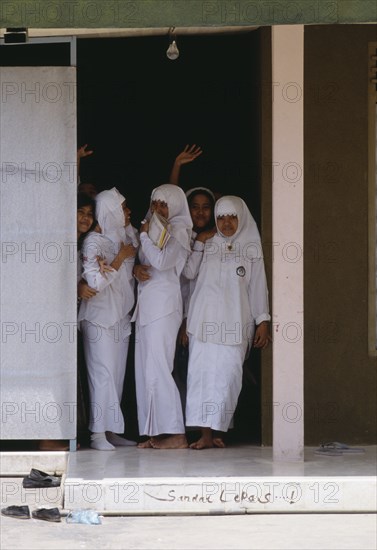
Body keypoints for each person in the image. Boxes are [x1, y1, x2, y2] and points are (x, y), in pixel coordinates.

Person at [184, 195, 271, 449]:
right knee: (201, 378)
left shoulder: (251, 248)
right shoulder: (208, 244)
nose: (226, 223)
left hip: (235, 324)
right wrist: (200, 241)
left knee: (227, 378)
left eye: (232, 217)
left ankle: (219, 431)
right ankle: (206, 435)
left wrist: (262, 320)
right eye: (220, 218)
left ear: (241, 217)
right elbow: (189, 275)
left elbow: (257, 286)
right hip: (204, 324)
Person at [132, 184, 192, 449]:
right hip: (147, 306)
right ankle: (155, 432)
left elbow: (163, 262)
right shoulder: (154, 226)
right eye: (155, 202)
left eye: (164, 203)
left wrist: (144, 236)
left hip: (165, 308)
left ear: (176, 204)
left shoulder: (179, 230)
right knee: (146, 370)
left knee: (159, 368)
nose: (158, 208)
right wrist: (135, 268)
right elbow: (146, 262)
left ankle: (176, 432)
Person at [78, 188, 138, 450]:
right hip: (100, 316)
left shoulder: (119, 239)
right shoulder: (93, 242)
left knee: (115, 375)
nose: (128, 212)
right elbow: (95, 282)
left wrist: (126, 259)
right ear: (111, 210)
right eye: (123, 208)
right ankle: (97, 434)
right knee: (100, 375)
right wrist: (120, 259)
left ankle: (111, 430)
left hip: (119, 317)